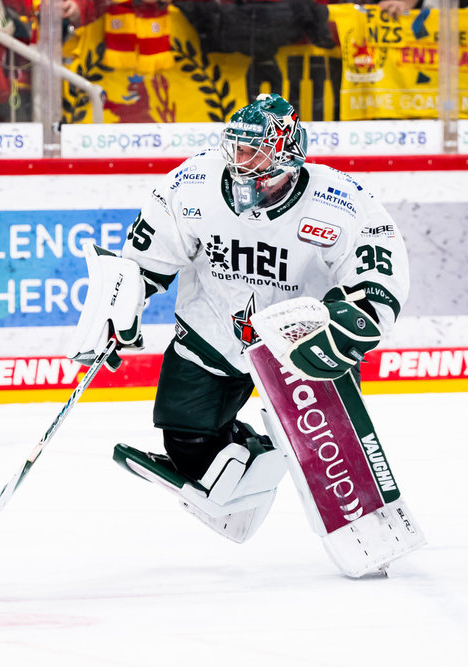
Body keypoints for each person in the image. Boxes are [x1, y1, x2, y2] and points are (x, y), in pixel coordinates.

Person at [68, 93, 410, 540]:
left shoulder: (339, 199)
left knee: (326, 458)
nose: (238, 158)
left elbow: (379, 269)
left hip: (302, 342)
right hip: (213, 331)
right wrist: (120, 302)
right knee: (186, 444)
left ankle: (371, 522)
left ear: (285, 154)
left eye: (252, 150)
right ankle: (253, 454)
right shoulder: (192, 183)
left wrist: (358, 318)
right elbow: (146, 258)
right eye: (235, 146)